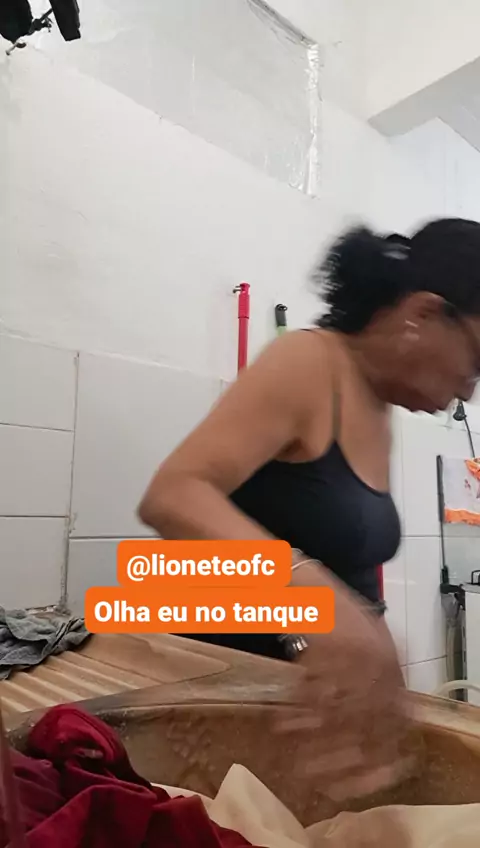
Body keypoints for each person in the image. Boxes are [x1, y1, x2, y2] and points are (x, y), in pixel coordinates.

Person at [138, 218, 480, 800]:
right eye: (477, 357)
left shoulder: (379, 408)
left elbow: (347, 571)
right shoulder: (306, 362)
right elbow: (172, 494)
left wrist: (378, 657)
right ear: (422, 314)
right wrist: (306, 593)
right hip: (213, 696)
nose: (470, 390)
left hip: (296, 711)